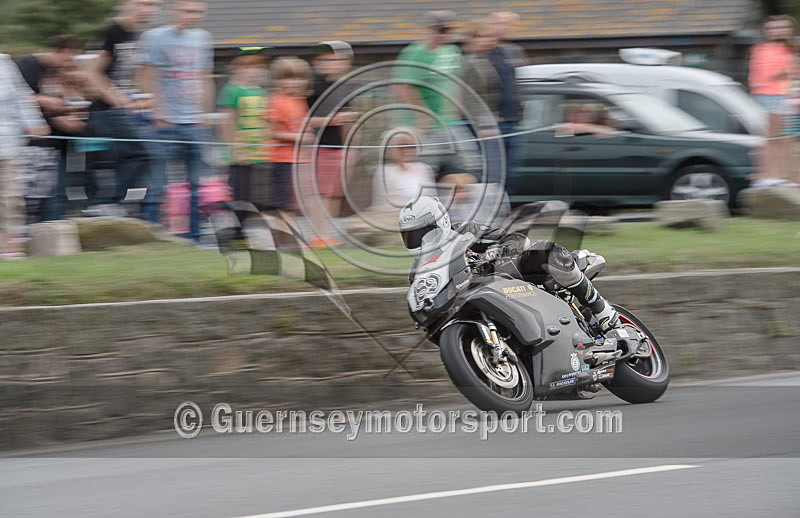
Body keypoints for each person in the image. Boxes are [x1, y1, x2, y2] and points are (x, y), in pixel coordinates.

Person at [398, 196, 622, 332]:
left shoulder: (465, 231)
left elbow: (516, 238)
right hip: (474, 300)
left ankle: (601, 310)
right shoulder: (418, 271)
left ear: (441, 221)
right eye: (412, 236)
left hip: (508, 276)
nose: (420, 240)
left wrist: (495, 252)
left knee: (545, 251)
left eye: (424, 232)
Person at [140, 0, 215, 240]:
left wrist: (204, 114)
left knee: (196, 184)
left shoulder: (203, 38)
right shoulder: (154, 37)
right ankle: (152, 238)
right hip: (165, 123)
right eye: (187, 10)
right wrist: (157, 112)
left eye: (198, 12)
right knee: (157, 183)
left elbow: (205, 76)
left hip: (194, 123)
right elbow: (146, 75)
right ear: (173, 9)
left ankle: (195, 237)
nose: (193, 16)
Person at [88, 0, 164, 222]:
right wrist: (116, 98)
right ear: (126, 3)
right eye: (144, 4)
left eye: (154, 6)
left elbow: (136, 75)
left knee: (124, 159)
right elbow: (92, 73)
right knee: (142, 153)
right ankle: (107, 202)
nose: (149, 10)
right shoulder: (113, 30)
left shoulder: (135, 34)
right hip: (105, 111)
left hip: (123, 111)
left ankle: (109, 203)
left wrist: (144, 98)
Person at [394, 11, 482, 183]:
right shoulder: (414, 53)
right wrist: (422, 118)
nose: (443, 35)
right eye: (439, 30)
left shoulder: (452, 51)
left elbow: (455, 80)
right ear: (429, 30)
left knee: (471, 164)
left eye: (447, 31)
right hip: (425, 127)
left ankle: (456, 205)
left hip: (450, 123)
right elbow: (405, 88)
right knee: (425, 172)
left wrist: (456, 108)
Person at [17, 35, 86, 221]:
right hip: (33, 146)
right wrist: (47, 101)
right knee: (32, 198)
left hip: (56, 144)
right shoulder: (30, 64)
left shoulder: (59, 72)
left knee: (55, 194)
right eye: (70, 58)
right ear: (61, 52)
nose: (71, 63)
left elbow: (65, 101)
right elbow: (21, 97)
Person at [305, 41, 358, 245]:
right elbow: (301, 120)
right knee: (321, 193)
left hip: (339, 148)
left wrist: (350, 149)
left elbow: (348, 122)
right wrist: (330, 120)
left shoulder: (343, 87)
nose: (328, 63)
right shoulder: (312, 86)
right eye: (324, 59)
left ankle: (328, 235)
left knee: (335, 193)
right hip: (319, 147)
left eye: (334, 59)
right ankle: (317, 235)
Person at [0, 54, 49, 259]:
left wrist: (33, 121)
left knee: (10, 196)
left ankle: (9, 246)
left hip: (8, 143)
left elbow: (21, 96)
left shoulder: (4, 63)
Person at [749, 15, 796, 184]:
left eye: (782, 28)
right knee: (771, 139)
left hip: (785, 97)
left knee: (783, 139)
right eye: (772, 28)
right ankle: (766, 176)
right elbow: (765, 76)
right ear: (765, 31)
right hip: (768, 96)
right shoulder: (762, 49)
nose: (777, 31)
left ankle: (780, 176)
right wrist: (788, 72)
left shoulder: (788, 49)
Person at [216, 53, 269, 204]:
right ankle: (238, 224)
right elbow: (227, 122)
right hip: (240, 151)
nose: (255, 71)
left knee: (253, 191)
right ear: (237, 70)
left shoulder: (261, 91)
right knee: (240, 190)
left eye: (259, 68)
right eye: (249, 67)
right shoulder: (231, 90)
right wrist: (236, 149)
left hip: (257, 150)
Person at [266, 57, 314, 214]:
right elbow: (271, 132)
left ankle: (290, 237)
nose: (291, 83)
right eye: (286, 78)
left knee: (295, 205)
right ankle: (285, 238)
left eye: (297, 78)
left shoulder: (300, 101)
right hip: (283, 161)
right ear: (277, 80)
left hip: (300, 160)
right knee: (284, 206)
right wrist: (299, 138)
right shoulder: (277, 101)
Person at [488, 11, 526, 184]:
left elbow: (521, 85)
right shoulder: (486, 53)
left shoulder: (514, 52)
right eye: (499, 23)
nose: (503, 28)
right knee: (494, 173)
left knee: (511, 175)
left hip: (513, 122)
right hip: (495, 124)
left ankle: (505, 208)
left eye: (508, 24)